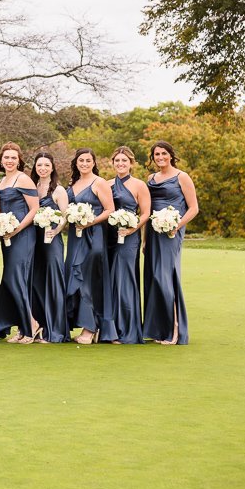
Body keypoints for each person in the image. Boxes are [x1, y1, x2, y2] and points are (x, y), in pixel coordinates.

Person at [143, 141, 198, 345]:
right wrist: (145, 239)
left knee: (165, 277)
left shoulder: (182, 177)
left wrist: (176, 225)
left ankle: (175, 329)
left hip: (171, 232)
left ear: (171, 155)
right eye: (156, 154)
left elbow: (193, 208)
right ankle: (160, 329)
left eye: (164, 153)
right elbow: (147, 210)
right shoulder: (151, 178)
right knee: (153, 278)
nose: (160, 157)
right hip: (153, 231)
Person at [64, 147, 115, 345]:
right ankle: (82, 324)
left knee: (89, 280)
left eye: (88, 160)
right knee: (74, 278)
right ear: (76, 163)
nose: (84, 163)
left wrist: (89, 222)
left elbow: (110, 210)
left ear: (94, 163)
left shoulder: (99, 182)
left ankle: (90, 327)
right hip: (76, 237)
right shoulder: (74, 183)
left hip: (94, 236)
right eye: (81, 160)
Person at [0, 142, 40, 343]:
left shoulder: (24, 179)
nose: (10, 161)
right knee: (12, 279)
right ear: (1, 160)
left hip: (23, 236)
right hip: (7, 237)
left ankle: (32, 324)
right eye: (6, 157)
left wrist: (17, 229)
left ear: (19, 160)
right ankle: (22, 328)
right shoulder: (3, 181)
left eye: (13, 157)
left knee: (16, 278)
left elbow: (34, 209)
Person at [106, 146, 150, 344]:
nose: (120, 164)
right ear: (113, 163)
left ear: (131, 163)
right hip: (110, 237)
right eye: (117, 161)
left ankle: (127, 329)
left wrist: (133, 229)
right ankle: (110, 329)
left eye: (124, 161)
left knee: (124, 278)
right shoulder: (107, 184)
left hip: (129, 237)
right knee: (110, 279)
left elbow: (146, 213)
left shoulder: (139, 185)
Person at [30, 151, 69, 343]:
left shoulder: (59, 190)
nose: (42, 168)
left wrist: (55, 230)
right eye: (39, 165)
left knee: (52, 281)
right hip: (34, 241)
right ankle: (39, 325)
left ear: (52, 168)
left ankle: (55, 330)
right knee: (36, 282)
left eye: (46, 165)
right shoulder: (32, 187)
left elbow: (65, 216)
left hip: (51, 241)